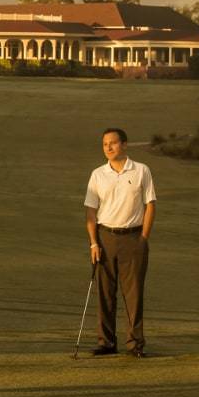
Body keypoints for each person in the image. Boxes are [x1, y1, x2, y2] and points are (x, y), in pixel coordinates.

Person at [83, 127, 157, 357]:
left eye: (113, 143)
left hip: (133, 238)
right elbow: (90, 212)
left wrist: (143, 238)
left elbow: (150, 205)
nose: (108, 147)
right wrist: (94, 243)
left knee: (133, 295)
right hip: (105, 238)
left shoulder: (141, 171)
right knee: (105, 293)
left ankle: (135, 344)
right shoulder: (97, 174)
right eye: (105, 144)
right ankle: (106, 342)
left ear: (124, 145)